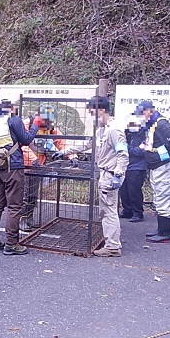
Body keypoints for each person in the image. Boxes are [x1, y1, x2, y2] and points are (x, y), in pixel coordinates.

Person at [61, 96, 129, 257]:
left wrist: (118, 175)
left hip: (110, 174)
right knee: (105, 210)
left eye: (93, 113)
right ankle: (111, 241)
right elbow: (87, 145)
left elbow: (123, 154)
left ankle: (112, 246)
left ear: (101, 110)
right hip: (104, 173)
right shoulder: (101, 130)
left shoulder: (114, 130)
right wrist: (65, 152)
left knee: (109, 211)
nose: (92, 116)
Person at [0, 99, 43, 255]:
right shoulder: (13, 119)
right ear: (10, 108)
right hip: (13, 166)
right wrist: (35, 125)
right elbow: (26, 139)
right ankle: (11, 243)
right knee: (14, 206)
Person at [135, 100, 170, 243]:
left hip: (167, 167)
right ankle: (160, 230)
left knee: (164, 198)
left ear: (148, 111)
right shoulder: (154, 124)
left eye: (141, 113)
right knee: (159, 197)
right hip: (158, 166)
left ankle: (164, 234)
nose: (140, 117)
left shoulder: (162, 124)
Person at [118, 115, 148, 223]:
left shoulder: (145, 134)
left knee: (134, 190)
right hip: (125, 165)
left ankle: (138, 213)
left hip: (138, 166)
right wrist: (130, 148)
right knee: (124, 189)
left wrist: (127, 148)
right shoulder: (125, 134)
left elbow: (141, 151)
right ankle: (127, 210)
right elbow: (119, 147)